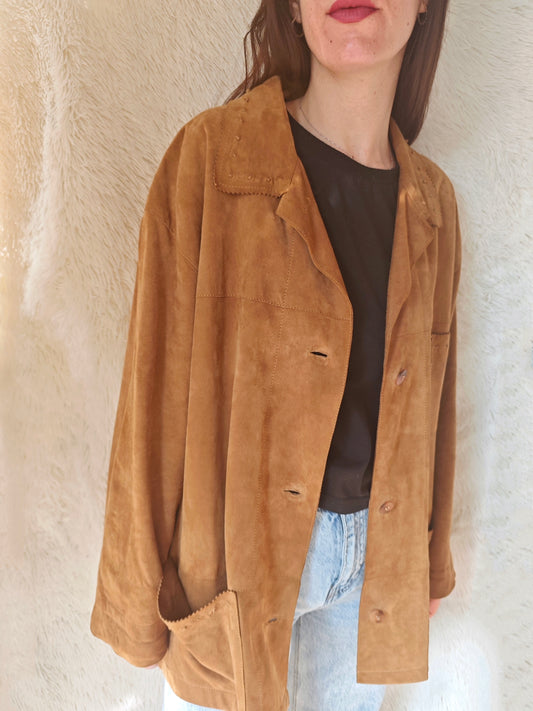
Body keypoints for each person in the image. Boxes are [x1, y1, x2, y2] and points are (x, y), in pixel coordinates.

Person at [90, 1, 462, 710]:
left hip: (371, 567)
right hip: (235, 566)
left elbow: (434, 405)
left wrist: (426, 560)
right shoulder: (212, 160)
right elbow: (150, 401)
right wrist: (134, 600)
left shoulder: (432, 204)